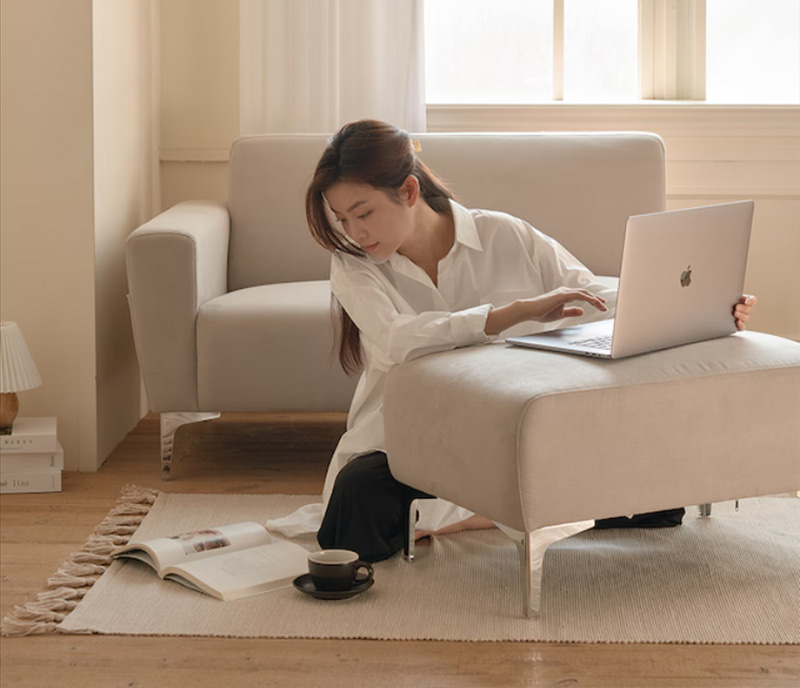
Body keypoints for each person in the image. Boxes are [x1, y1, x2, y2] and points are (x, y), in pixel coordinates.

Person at [267, 119, 757, 561]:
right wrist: (505, 316)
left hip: (513, 431)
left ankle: (476, 512)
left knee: (661, 499)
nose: (354, 232)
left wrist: (707, 303)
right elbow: (398, 340)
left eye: (363, 212)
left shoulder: (504, 234)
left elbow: (593, 294)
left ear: (409, 191)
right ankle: (506, 510)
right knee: (353, 512)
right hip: (414, 437)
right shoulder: (352, 266)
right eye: (341, 218)